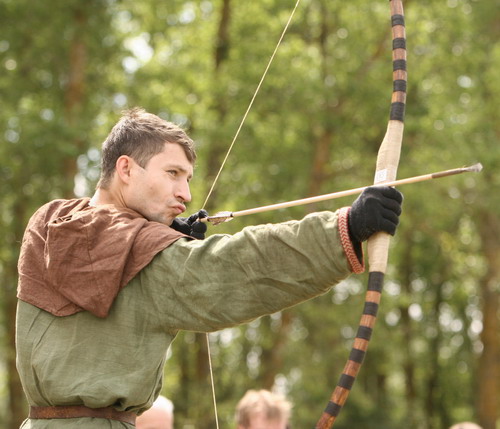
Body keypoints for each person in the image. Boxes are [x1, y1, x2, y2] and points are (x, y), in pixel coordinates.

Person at [16, 107, 403, 428]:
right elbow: (235, 269)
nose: (185, 194)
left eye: (187, 179)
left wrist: (160, 237)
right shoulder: (143, 256)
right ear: (126, 169)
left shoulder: (48, 226)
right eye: (172, 174)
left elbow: (102, 241)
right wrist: (344, 229)